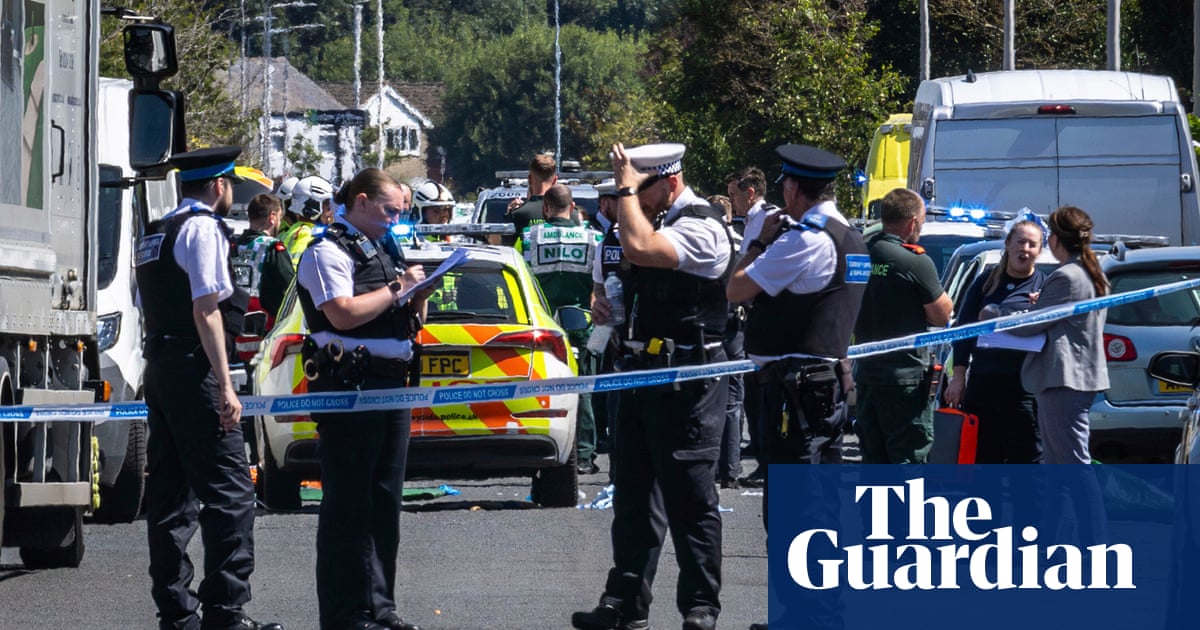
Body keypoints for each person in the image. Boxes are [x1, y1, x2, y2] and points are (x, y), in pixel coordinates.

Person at [572, 142, 733, 630]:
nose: (630, 206)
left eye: (637, 194)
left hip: (689, 379)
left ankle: (700, 606)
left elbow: (642, 248)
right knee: (633, 497)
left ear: (669, 182)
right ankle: (623, 604)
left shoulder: (702, 227)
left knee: (691, 498)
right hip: (640, 372)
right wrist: (606, 308)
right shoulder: (650, 222)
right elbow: (620, 278)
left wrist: (624, 188)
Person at [134, 146, 281, 630]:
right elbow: (207, 309)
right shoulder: (201, 229)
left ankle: (176, 614)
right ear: (219, 186)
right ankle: (225, 611)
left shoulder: (155, 232)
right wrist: (225, 383)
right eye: (231, 186)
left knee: (172, 499)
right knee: (230, 494)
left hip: (161, 366)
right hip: (194, 369)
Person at [727, 144, 869, 630]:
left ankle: (807, 616)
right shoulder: (851, 235)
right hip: (825, 386)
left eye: (784, 187)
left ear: (791, 188)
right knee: (820, 506)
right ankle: (817, 612)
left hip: (796, 392)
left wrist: (758, 242)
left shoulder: (802, 239)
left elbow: (736, 288)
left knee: (794, 511)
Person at [295, 168, 429, 630]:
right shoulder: (326, 250)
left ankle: (380, 607)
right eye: (391, 210)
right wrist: (398, 287)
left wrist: (418, 294)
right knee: (348, 504)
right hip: (350, 387)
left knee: (384, 502)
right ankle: (345, 614)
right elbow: (343, 314)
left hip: (391, 384)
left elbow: (407, 314)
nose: (397, 219)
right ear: (362, 201)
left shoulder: (386, 248)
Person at [853, 187, 953, 464]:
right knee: (907, 456)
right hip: (904, 377)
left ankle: (876, 508)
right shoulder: (913, 261)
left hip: (867, 373)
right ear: (912, 223)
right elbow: (942, 315)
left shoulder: (861, 254)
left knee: (873, 456)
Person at [1010, 205, 1109, 463]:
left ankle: (1090, 507)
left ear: (1055, 239)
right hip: (1074, 379)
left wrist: (996, 316)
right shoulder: (1090, 272)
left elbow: (1030, 325)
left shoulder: (1066, 276)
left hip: (1064, 380)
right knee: (1058, 461)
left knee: (1071, 461)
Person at [943, 218, 1048, 463]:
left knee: (1026, 464)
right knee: (984, 461)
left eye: (1032, 244)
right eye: (1020, 242)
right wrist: (958, 377)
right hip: (983, 388)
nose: (1025, 249)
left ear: (1039, 251)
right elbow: (964, 330)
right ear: (1008, 243)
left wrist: (1041, 307)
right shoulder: (986, 282)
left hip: (1023, 391)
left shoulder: (1045, 287)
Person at [518, 184, 603, 474]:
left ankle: (542, 447)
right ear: (573, 205)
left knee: (543, 390)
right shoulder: (594, 238)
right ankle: (584, 455)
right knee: (585, 391)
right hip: (582, 323)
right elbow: (601, 283)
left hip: (544, 326)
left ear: (545, 208)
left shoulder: (529, 237)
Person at [725, 166, 778, 488]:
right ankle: (760, 450)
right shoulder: (753, 221)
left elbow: (755, 266)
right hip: (753, 312)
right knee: (754, 395)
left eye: (734, 195)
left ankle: (766, 460)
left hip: (764, 312)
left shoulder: (766, 219)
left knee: (761, 395)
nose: (733, 202)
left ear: (750, 192)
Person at [706, 193, 744, 489]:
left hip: (707, 327)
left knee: (704, 397)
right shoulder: (743, 243)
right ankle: (730, 468)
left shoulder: (707, 242)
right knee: (733, 399)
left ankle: (706, 464)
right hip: (736, 328)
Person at [231, 193, 295, 326]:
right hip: (263, 328)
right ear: (272, 217)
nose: (279, 222)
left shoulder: (232, 246)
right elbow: (290, 289)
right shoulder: (273, 248)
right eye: (279, 217)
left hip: (233, 325)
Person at [503, 153, 557, 246]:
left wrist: (508, 214)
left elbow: (506, 250)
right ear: (555, 180)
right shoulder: (571, 214)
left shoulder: (516, 214)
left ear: (529, 179)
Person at [281, 174, 335, 264]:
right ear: (313, 206)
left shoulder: (295, 229)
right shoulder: (305, 233)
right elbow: (295, 269)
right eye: (327, 207)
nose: (330, 213)